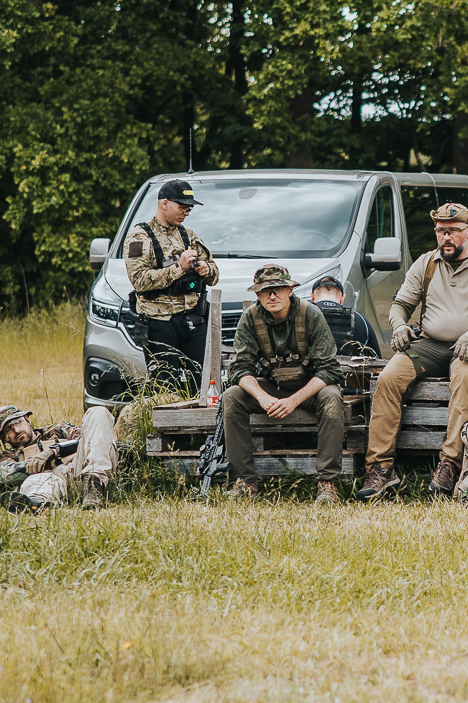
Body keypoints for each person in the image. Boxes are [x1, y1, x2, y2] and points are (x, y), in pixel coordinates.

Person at [358, 202, 468, 501]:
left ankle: (449, 464)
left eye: (453, 231)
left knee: (464, 373)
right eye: (440, 231)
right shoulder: (427, 263)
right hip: (430, 344)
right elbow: (401, 304)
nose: (446, 237)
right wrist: (398, 326)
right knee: (388, 378)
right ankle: (381, 469)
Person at [220, 264, 348, 502]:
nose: (272, 295)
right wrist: (263, 397)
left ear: (290, 290)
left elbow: (329, 370)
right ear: (257, 294)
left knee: (332, 397)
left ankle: (327, 483)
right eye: (265, 291)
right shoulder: (251, 318)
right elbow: (240, 368)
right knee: (232, 397)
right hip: (271, 388)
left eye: (278, 289)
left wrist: (293, 400)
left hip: (310, 388)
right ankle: (245, 483)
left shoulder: (310, 314)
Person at [124, 177, 220, 392]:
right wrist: (180, 268)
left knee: (202, 382)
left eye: (189, 209)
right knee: (165, 386)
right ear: (164, 203)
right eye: (182, 207)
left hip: (192, 319)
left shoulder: (189, 235)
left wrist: (206, 269)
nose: (186, 212)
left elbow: (214, 275)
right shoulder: (140, 237)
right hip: (160, 322)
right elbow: (139, 280)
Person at [0, 404, 120, 510]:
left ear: (27, 419)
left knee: (98, 412)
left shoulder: (58, 431)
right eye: (8, 429)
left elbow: (91, 439)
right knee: (38, 479)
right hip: (53, 484)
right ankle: (38, 504)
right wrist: (55, 462)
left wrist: (53, 452)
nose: (16, 430)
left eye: (17, 422)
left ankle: (94, 488)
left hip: (84, 473)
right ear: (3, 437)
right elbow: (7, 475)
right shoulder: (10, 456)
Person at [309, 275, 381, 357]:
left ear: (312, 296)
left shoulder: (300, 315)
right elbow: (377, 359)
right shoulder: (360, 321)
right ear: (342, 298)